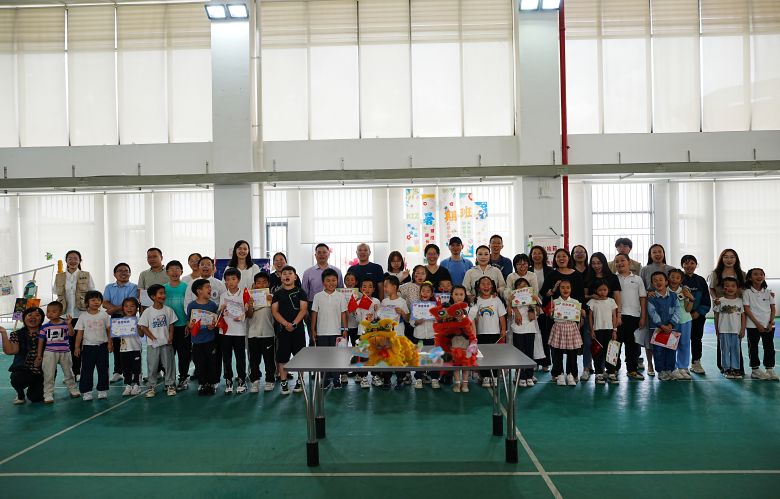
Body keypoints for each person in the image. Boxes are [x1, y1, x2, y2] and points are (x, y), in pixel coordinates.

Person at [53, 249, 95, 383]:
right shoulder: (59, 276)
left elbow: (92, 293)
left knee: (79, 344)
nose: (72, 261)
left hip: (81, 315)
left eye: (75, 258)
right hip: (65, 316)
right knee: (67, 346)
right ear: (66, 261)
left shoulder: (86, 275)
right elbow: (55, 291)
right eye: (70, 258)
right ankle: (70, 373)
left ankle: (78, 372)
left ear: (80, 261)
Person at [582, 252, 622, 382]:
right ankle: (593, 369)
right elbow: (584, 296)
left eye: (599, 263)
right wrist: (592, 296)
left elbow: (617, 297)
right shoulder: (588, 277)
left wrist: (618, 315)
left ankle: (610, 371)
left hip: (609, 321)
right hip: (594, 318)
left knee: (611, 347)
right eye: (593, 263)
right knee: (592, 345)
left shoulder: (612, 278)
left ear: (604, 263)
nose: (596, 266)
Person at [708, 248, 747, 375]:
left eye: (732, 257)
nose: (729, 259)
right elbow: (711, 289)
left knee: (736, 340)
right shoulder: (716, 273)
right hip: (721, 306)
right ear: (722, 258)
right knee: (722, 341)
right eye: (726, 257)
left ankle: (737, 367)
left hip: (736, 307)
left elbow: (747, 289)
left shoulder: (742, 274)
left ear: (736, 259)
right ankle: (724, 367)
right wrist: (715, 299)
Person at [271, 265, 308, 395]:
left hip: (298, 330)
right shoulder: (277, 294)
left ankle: (300, 381)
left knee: (300, 356)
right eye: (284, 273)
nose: (287, 275)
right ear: (281, 277)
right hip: (282, 330)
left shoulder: (300, 292)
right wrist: (286, 324)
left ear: (295, 277)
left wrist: (294, 324)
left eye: (290, 273)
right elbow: (274, 311)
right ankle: (284, 382)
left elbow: (303, 309)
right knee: (282, 357)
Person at [35, 301, 80, 403]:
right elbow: (41, 341)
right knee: (48, 374)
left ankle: (73, 389)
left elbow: (72, 334)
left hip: (65, 352)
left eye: (53, 311)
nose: (50, 314)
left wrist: (69, 324)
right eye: (48, 311)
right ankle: (48, 394)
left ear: (60, 312)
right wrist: (39, 354)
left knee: (69, 372)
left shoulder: (65, 324)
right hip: (50, 353)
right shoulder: (44, 326)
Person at [311, 268, 348, 389]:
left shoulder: (341, 296)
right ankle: (325, 379)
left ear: (337, 281)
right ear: (323, 282)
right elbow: (314, 313)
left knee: (336, 356)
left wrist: (345, 329)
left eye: (334, 280)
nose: (331, 283)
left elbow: (343, 313)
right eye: (328, 280)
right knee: (323, 356)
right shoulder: (318, 296)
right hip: (321, 332)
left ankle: (336, 379)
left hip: (337, 332)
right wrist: (313, 329)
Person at [139, 284, 177, 397]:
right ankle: (151, 386)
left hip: (166, 343)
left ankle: (170, 385)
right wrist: (152, 338)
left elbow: (171, 325)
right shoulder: (148, 312)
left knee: (169, 364)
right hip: (153, 344)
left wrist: (170, 336)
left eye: (164, 293)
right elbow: (143, 327)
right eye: (160, 293)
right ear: (153, 296)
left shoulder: (168, 310)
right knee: (153, 365)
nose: (163, 295)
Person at [102, 262, 138, 383]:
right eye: (120, 271)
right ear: (114, 274)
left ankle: (133, 372)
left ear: (130, 273)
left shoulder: (134, 287)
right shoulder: (109, 287)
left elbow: (130, 303)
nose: (123, 273)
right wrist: (116, 309)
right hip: (115, 319)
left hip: (129, 318)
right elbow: (104, 303)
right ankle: (118, 372)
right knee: (117, 346)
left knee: (130, 346)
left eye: (126, 271)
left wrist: (113, 309)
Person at [1, 307, 45, 404]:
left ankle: (45, 387)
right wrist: (3, 333)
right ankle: (20, 394)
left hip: (43, 370)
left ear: (42, 318)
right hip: (24, 369)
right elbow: (11, 351)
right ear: (24, 318)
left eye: (37, 315)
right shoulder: (16, 334)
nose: (33, 317)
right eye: (29, 315)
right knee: (17, 378)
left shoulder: (47, 332)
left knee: (36, 398)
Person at [614, 253, 647, 381]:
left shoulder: (637, 279)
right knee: (615, 344)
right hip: (617, 317)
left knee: (632, 345)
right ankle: (613, 370)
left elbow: (642, 298)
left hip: (634, 317)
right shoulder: (613, 278)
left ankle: (632, 370)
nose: (620, 263)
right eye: (617, 261)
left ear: (629, 262)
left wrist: (643, 317)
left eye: (622, 260)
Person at [469, 276, 507, 387]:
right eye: (483, 284)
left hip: (495, 333)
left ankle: (494, 376)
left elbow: (502, 316)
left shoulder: (496, 299)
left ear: (492, 286)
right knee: (482, 356)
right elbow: (472, 318)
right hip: (480, 333)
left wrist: (503, 330)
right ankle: (485, 376)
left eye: (488, 284)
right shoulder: (476, 301)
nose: (486, 286)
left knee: (495, 355)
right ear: (478, 287)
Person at [219, 267, 252, 395]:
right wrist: (221, 309)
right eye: (228, 279)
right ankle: (228, 380)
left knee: (240, 357)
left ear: (238, 280)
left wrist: (244, 312)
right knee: (226, 358)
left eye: (233, 279)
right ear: (225, 281)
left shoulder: (244, 294)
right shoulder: (223, 295)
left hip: (239, 331)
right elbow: (220, 313)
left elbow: (248, 313)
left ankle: (241, 380)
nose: (231, 282)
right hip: (225, 332)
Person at [75, 290, 112, 400]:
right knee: (86, 370)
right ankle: (87, 391)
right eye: (93, 300)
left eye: (99, 300)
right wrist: (77, 347)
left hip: (102, 346)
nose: (96, 302)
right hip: (88, 347)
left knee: (103, 369)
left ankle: (102, 390)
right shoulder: (83, 316)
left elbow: (109, 330)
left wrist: (110, 343)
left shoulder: (104, 315)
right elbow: (80, 333)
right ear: (87, 302)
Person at [742, 268, 777, 381]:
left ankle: (769, 369)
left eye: (761, 274)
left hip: (769, 325)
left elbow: (773, 308)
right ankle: (755, 370)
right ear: (749, 278)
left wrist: (770, 322)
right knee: (753, 347)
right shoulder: (747, 292)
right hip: (753, 325)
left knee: (769, 347)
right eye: (756, 274)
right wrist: (757, 324)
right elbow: (747, 309)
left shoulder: (768, 292)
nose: (759, 276)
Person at [186, 279, 220, 396]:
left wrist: (213, 326)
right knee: (199, 363)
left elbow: (216, 321)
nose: (210, 289)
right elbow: (188, 321)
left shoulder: (212, 305)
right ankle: (202, 383)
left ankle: (212, 383)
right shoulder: (192, 305)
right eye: (207, 287)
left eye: (210, 287)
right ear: (199, 291)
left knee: (211, 362)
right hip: (196, 341)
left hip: (210, 340)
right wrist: (190, 325)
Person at [549, 279, 583, 387]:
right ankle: (558, 374)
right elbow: (551, 317)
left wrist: (582, 312)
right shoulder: (555, 302)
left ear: (571, 289)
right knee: (557, 353)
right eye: (562, 287)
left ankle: (571, 374)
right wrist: (551, 313)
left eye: (568, 287)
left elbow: (580, 316)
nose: (565, 289)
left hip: (571, 328)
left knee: (572, 353)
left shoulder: (575, 302)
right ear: (559, 289)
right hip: (559, 328)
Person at [680, 255, 711, 375]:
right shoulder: (678, 279)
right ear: (682, 265)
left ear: (696, 265)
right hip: (682, 317)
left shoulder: (701, 280)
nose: (689, 266)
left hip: (698, 316)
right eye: (686, 263)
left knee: (697, 339)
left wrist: (699, 312)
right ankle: (681, 365)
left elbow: (706, 299)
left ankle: (696, 362)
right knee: (681, 340)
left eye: (692, 263)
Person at [646, 272, 680, 381]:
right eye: (655, 280)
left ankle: (670, 370)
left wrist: (671, 324)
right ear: (652, 284)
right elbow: (652, 312)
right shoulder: (651, 298)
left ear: (666, 282)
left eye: (661, 279)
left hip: (672, 328)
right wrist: (661, 325)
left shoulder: (674, 296)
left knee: (671, 351)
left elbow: (677, 311)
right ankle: (661, 372)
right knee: (658, 351)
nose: (658, 282)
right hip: (658, 329)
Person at [509, 277, 542, 387]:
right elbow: (508, 314)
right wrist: (510, 303)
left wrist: (536, 301)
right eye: (520, 286)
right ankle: (521, 376)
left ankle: (529, 375)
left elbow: (538, 312)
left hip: (530, 329)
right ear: (516, 289)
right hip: (518, 330)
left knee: (529, 353)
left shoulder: (532, 299)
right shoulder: (513, 300)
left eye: (525, 286)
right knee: (519, 353)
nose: (523, 288)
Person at [380, 275, 411, 389]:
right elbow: (380, 318)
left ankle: (400, 379)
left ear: (394, 287)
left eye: (386, 286)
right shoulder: (384, 301)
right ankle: (386, 380)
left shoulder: (402, 301)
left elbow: (407, 319)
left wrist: (402, 312)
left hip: (399, 332)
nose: (384, 288)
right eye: (384, 286)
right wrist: (377, 311)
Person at [247, 272, 276, 393]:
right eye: (258, 282)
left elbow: (277, 314)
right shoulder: (250, 297)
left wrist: (273, 301)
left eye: (264, 282)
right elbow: (249, 315)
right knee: (254, 360)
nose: (261, 284)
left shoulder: (272, 297)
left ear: (268, 284)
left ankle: (270, 380)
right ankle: (255, 381)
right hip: (253, 334)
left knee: (269, 360)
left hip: (268, 333)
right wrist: (250, 305)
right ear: (254, 284)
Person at [164, 261, 190, 391]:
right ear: (167, 272)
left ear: (182, 271)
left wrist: (188, 322)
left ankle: (183, 378)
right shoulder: (163, 288)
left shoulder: (186, 287)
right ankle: (170, 380)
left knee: (183, 355)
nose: (174, 272)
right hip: (167, 327)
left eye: (177, 269)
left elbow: (190, 306)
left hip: (183, 326)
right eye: (171, 269)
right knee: (167, 356)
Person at [713, 277, 746, 379]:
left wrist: (742, 329)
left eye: (733, 286)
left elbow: (743, 316)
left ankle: (735, 369)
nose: (730, 288)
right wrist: (717, 329)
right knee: (725, 350)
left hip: (736, 331)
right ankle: (726, 369)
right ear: (723, 288)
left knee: (736, 350)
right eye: (727, 286)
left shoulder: (740, 301)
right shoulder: (720, 301)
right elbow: (716, 316)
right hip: (723, 330)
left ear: (737, 288)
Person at [587, 280, 618, 385]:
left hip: (609, 330)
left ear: (608, 290)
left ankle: (611, 373)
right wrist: (592, 330)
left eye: (605, 290)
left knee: (611, 353)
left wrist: (614, 330)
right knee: (598, 353)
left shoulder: (611, 301)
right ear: (596, 290)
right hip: (597, 331)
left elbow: (614, 316)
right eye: (600, 290)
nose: (602, 292)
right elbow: (590, 317)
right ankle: (599, 373)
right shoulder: (592, 301)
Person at [667, 269, 694, 380]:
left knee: (684, 344)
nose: (674, 280)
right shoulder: (665, 291)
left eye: (677, 278)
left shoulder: (684, 291)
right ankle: (672, 368)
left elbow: (688, 309)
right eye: (672, 277)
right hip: (670, 323)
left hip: (685, 321)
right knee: (671, 345)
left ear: (681, 280)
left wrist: (691, 298)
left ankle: (683, 367)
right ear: (668, 278)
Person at [354, 277, 380, 389]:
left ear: (373, 289)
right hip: (362, 332)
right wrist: (355, 310)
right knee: (363, 354)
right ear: (360, 289)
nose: (367, 289)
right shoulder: (358, 302)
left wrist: (377, 310)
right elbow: (358, 320)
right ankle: (363, 377)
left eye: (370, 287)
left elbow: (379, 318)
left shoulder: (377, 301)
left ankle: (375, 376)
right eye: (364, 286)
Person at [530, 245, 553, 370]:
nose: (537, 255)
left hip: (545, 307)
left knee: (544, 334)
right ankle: (533, 362)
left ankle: (545, 362)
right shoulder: (528, 270)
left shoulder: (549, 270)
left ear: (544, 255)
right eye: (534, 253)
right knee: (532, 335)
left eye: (539, 253)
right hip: (530, 307)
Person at [412, 282, 438, 389]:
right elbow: (411, 322)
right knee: (419, 357)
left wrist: (436, 319)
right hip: (419, 336)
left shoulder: (435, 306)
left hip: (432, 336)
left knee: (434, 357)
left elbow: (440, 321)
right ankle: (419, 378)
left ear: (431, 294)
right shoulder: (416, 305)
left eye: (428, 291)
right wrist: (416, 322)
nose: (425, 293)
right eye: (423, 291)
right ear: (420, 293)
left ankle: (434, 378)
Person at [117, 297, 142, 396]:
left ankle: (136, 385)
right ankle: (128, 385)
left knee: (136, 368)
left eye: (132, 306)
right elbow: (117, 334)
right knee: (126, 368)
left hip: (135, 348)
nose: (129, 308)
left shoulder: (138, 320)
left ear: (137, 308)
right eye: (126, 306)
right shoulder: (120, 321)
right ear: (123, 308)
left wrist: (138, 327)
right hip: (124, 349)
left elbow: (142, 334)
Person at [449, 285, 472, 393]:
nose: (459, 297)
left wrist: (474, 339)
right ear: (451, 295)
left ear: (465, 295)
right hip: (454, 340)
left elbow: (473, 325)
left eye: (461, 294)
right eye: (456, 294)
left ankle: (465, 383)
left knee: (466, 362)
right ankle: (457, 383)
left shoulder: (469, 308)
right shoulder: (448, 309)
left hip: (466, 340)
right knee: (456, 362)